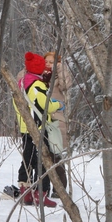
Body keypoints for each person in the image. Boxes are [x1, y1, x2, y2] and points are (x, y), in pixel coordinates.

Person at [13, 52, 64, 208]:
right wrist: (58, 105)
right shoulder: (36, 85)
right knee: (44, 160)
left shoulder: (22, 82)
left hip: (26, 126)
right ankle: (41, 193)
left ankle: (26, 191)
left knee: (28, 159)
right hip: (39, 128)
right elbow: (45, 105)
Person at [43, 52, 72, 197]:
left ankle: (59, 189)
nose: (48, 64)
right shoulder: (40, 76)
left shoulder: (58, 77)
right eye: (46, 61)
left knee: (56, 156)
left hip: (56, 120)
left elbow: (66, 85)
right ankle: (43, 188)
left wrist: (60, 69)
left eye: (51, 62)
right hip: (42, 119)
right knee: (42, 155)